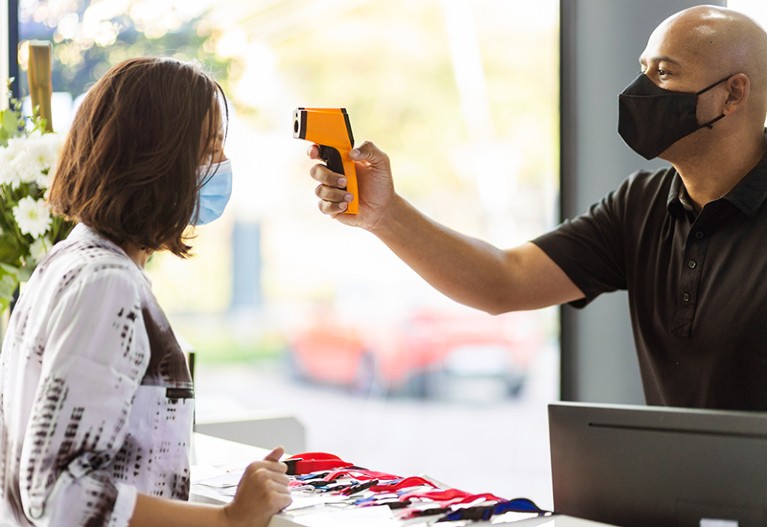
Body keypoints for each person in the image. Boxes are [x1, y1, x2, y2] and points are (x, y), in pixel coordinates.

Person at [307, 5, 767, 411]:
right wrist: (385, 214)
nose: (640, 90)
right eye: (643, 69)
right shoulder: (640, 205)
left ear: (732, 95)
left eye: (664, 73)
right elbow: (503, 282)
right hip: (685, 499)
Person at [0, 58, 291, 526]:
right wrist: (229, 519)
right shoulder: (105, 285)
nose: (221, 164)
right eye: (210, 146)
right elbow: (59, 496)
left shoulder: (69, 262)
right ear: (157, 160)